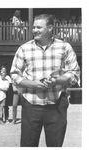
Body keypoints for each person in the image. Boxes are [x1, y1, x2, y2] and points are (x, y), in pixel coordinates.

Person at [10, 14, 80, 147]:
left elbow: (75, 73)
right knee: (28, 145)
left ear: (50, 28)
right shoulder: (24, 49)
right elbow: (14, 75)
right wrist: (34, 84)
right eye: (34, 27)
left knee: (55, 145)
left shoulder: (64, 47)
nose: (34, 30)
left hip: (57, 104)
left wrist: (57, 80)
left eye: (38, 27)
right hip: (31, 104)